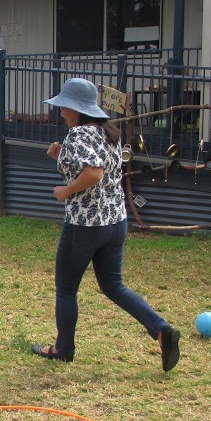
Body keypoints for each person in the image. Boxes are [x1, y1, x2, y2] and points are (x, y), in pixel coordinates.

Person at [30, 78, 180, 372]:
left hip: (85, 225)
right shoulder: (108, 133)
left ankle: (63, 348)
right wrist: (60, 155)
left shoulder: (78, 134)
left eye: (63, 107)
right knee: (113, 285)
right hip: (115, 222)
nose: (60, 113)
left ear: (76, 108)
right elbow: (101, 168)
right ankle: (161, 329)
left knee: (66, 288)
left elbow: (94, 174)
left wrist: (65, 191)